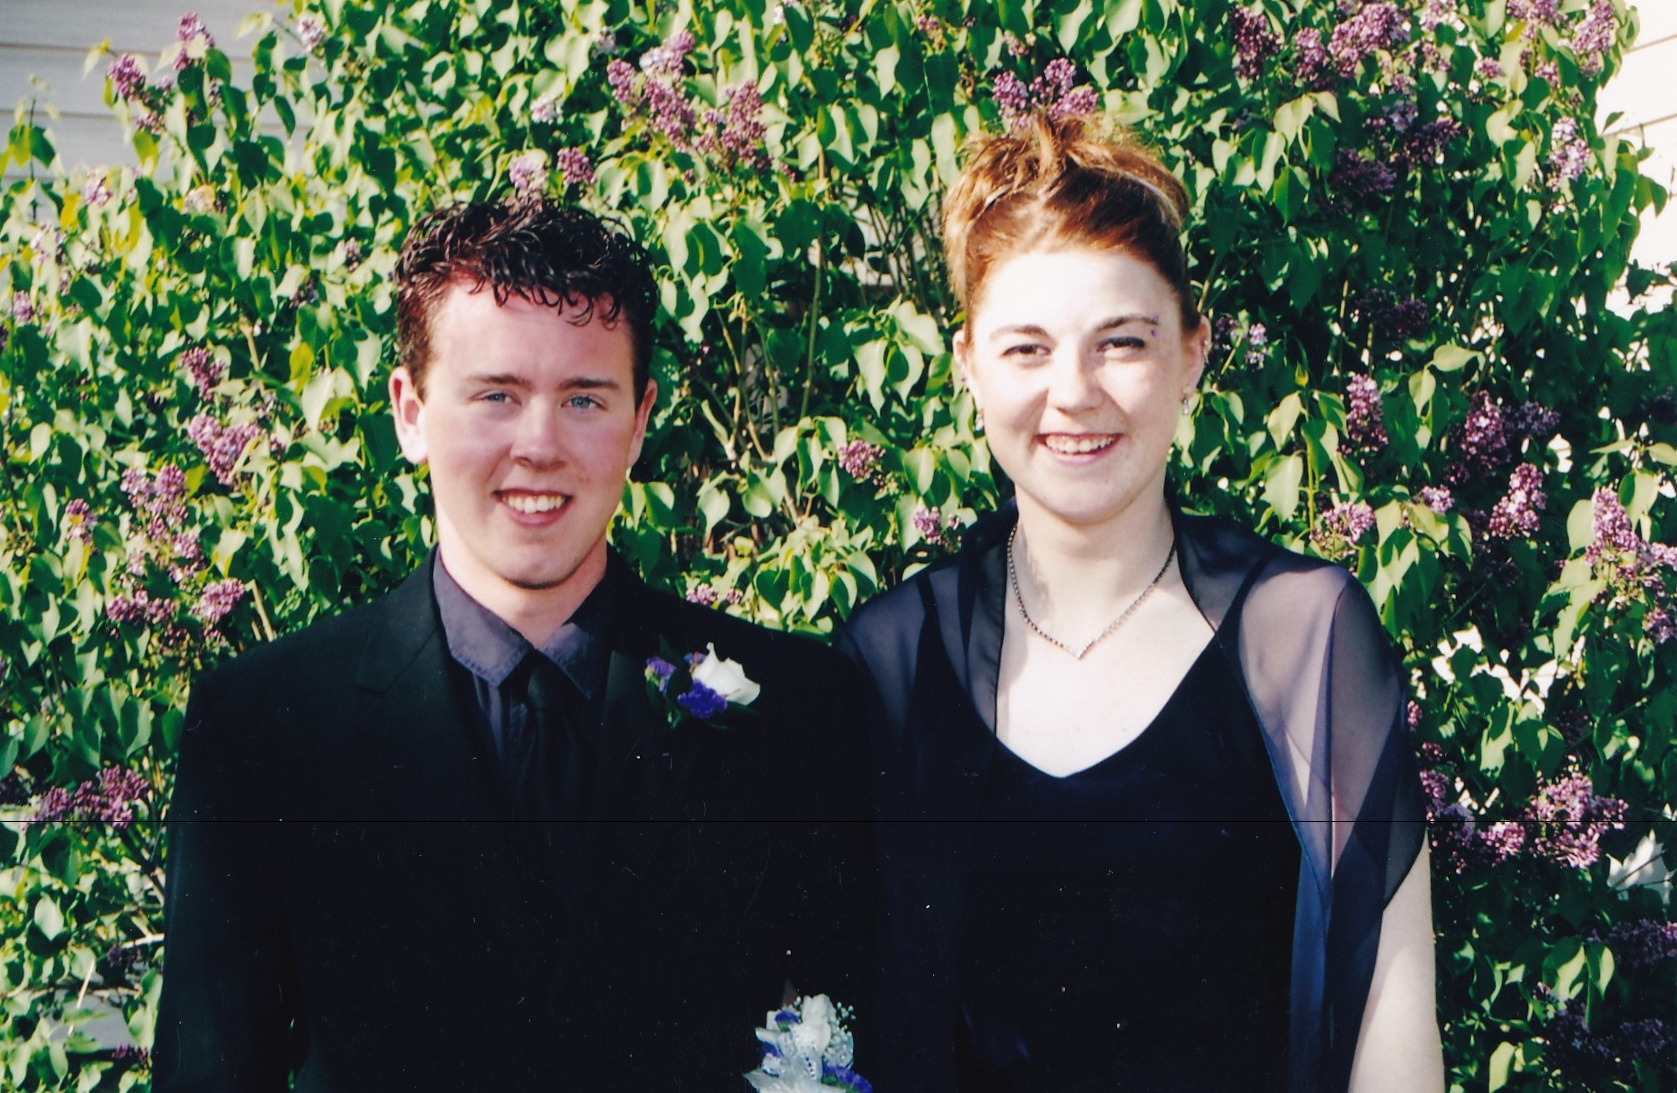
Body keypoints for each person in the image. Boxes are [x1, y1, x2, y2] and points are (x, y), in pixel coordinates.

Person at [154, 199, 874, 1092]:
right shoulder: (266, 729)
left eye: (583, 398)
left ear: (641, 418)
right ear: (410, 411)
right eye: (496, 394)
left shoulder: (797, 707)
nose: (539, 445)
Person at [836, 117, 1441, 1093]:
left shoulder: (1302, 635)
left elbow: (1392, 1028)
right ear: (967, 365)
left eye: (1122, 341)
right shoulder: (891, 660)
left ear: (1193, 352)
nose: (1073, 392)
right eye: (1026, 348)